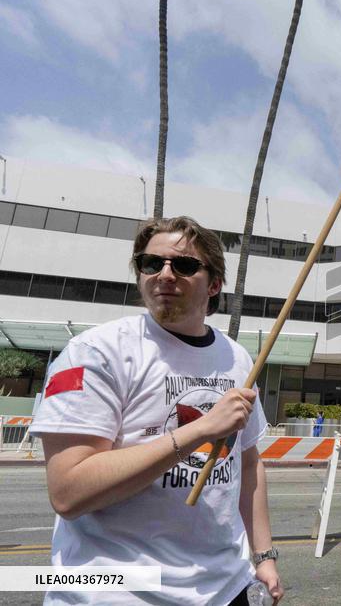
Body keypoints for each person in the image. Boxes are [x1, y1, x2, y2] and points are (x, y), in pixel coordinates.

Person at [28, 216, 283, 605]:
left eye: (183, 265)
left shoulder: (237, 357)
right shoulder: (94, 353)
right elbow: (69, 492)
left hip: (225, 587)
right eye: (151, 263)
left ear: (214, 284)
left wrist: (263, 557)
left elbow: (247, 465)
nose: (164, 274)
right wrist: (198, 431)